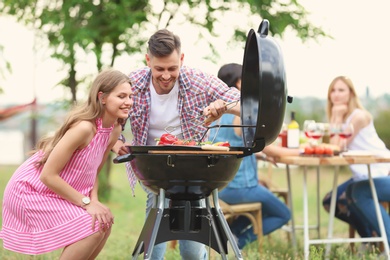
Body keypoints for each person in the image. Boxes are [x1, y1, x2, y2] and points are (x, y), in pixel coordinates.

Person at [112, 29, 240, 260]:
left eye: (172, 68)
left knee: (191, 249)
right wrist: (117, 143)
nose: (166, 75)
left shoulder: (196, 79)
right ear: (148, 60)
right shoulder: (134, 83)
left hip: (191, 168)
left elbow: (242, 102)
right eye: (159, 69)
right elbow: (112, 119)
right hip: (154, 168)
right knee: (156, 225)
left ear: (181, 59)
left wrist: (223, 104)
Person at [0, 69, 133, 259]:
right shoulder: (84, 128)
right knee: (92, 226)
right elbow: (47, 175)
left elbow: (94, 171)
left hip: (54, 189)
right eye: (121, 96)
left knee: (102, 223)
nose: (128, 102)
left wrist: (94, 200)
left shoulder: (114, 130)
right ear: (102, 97)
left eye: (130, 96)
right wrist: (86, 203)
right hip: (30, 190)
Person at [210, 63, 300, 249]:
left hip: (220, 186)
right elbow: (267, 147)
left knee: (259, 206)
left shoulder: (215, 111)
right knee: (283, 214)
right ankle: (236, 243)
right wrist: (303, 151)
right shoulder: (240, 112)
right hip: (241, 187)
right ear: (239, 83)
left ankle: (229, 234)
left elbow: (233, 147)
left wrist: (261, 157)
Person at [321, 75, 390, 251]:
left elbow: (335, 147)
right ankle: (371, 239)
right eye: (333, 91)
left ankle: (385, 242)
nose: (336, 95)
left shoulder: (359, 117)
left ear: (351, 94)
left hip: (384, 173)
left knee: (357, 192)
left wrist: (335, 118)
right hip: (364, 176)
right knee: (331, 201)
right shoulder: (344, 119)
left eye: (341, 90)